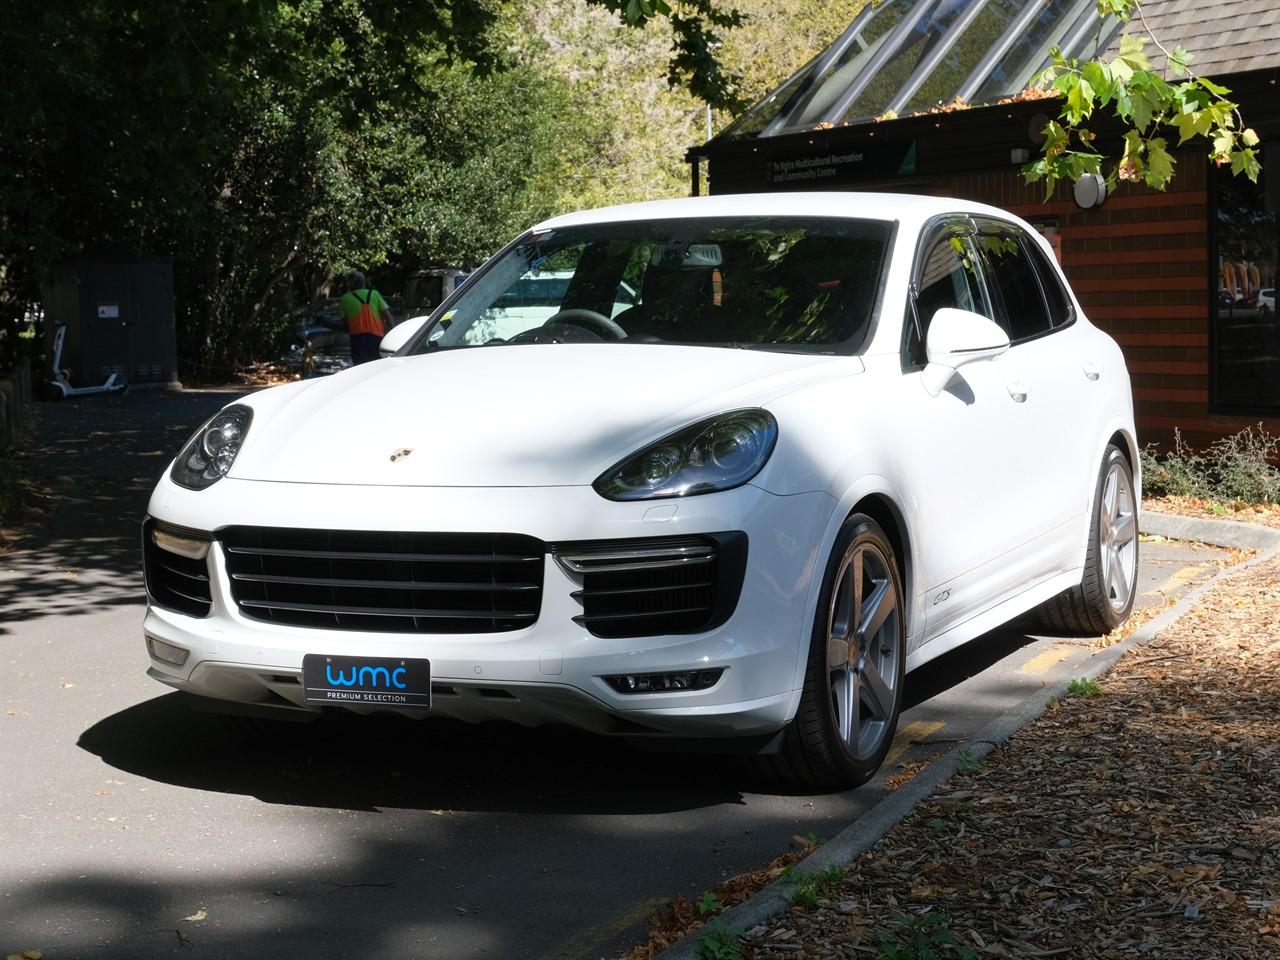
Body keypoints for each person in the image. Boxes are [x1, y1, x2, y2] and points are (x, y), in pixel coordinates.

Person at [339, 271, 393, 365]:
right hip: (376, 338)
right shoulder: (374, 294)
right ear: (364, 282)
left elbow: (344, 323)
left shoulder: (345, 299)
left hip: (357, 340)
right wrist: (392, 332)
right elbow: (387, 315)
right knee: (378, 365)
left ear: (350, 283)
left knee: (361, 368)